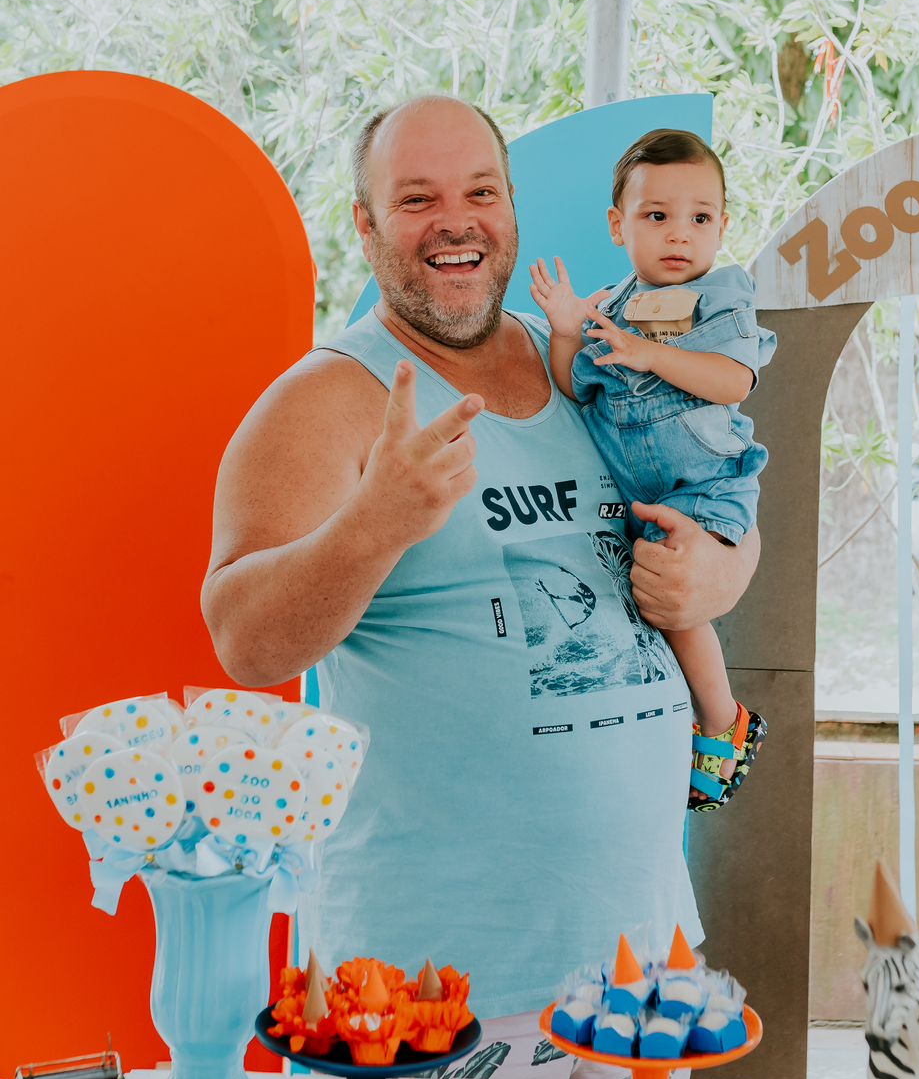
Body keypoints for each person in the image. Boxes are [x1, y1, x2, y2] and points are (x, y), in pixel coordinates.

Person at [201, 94, 760, 1017]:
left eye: (480, 192)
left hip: (643, 954)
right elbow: (245, 643)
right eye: (417, 198)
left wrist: (721, 569)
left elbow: (714, 485)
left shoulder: (584, 365)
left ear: (510, 206)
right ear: (366, 225)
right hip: (435, 985)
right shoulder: (325, 399)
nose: (456, 222)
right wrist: (375, 524)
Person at [528, 129, 773, 812]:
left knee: (677, 608)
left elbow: (733, 379)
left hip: (707, 484)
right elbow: (575, 389)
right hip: (635, 497)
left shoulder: (721, 294)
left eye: (700, 217)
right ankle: (682, 722)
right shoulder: (610, 308)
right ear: (618, 225)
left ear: (722, 227)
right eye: (656, 215)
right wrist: (566, 330)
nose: (679, 234)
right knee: (648, 606)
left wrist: (650, 354)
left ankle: (723, 722)